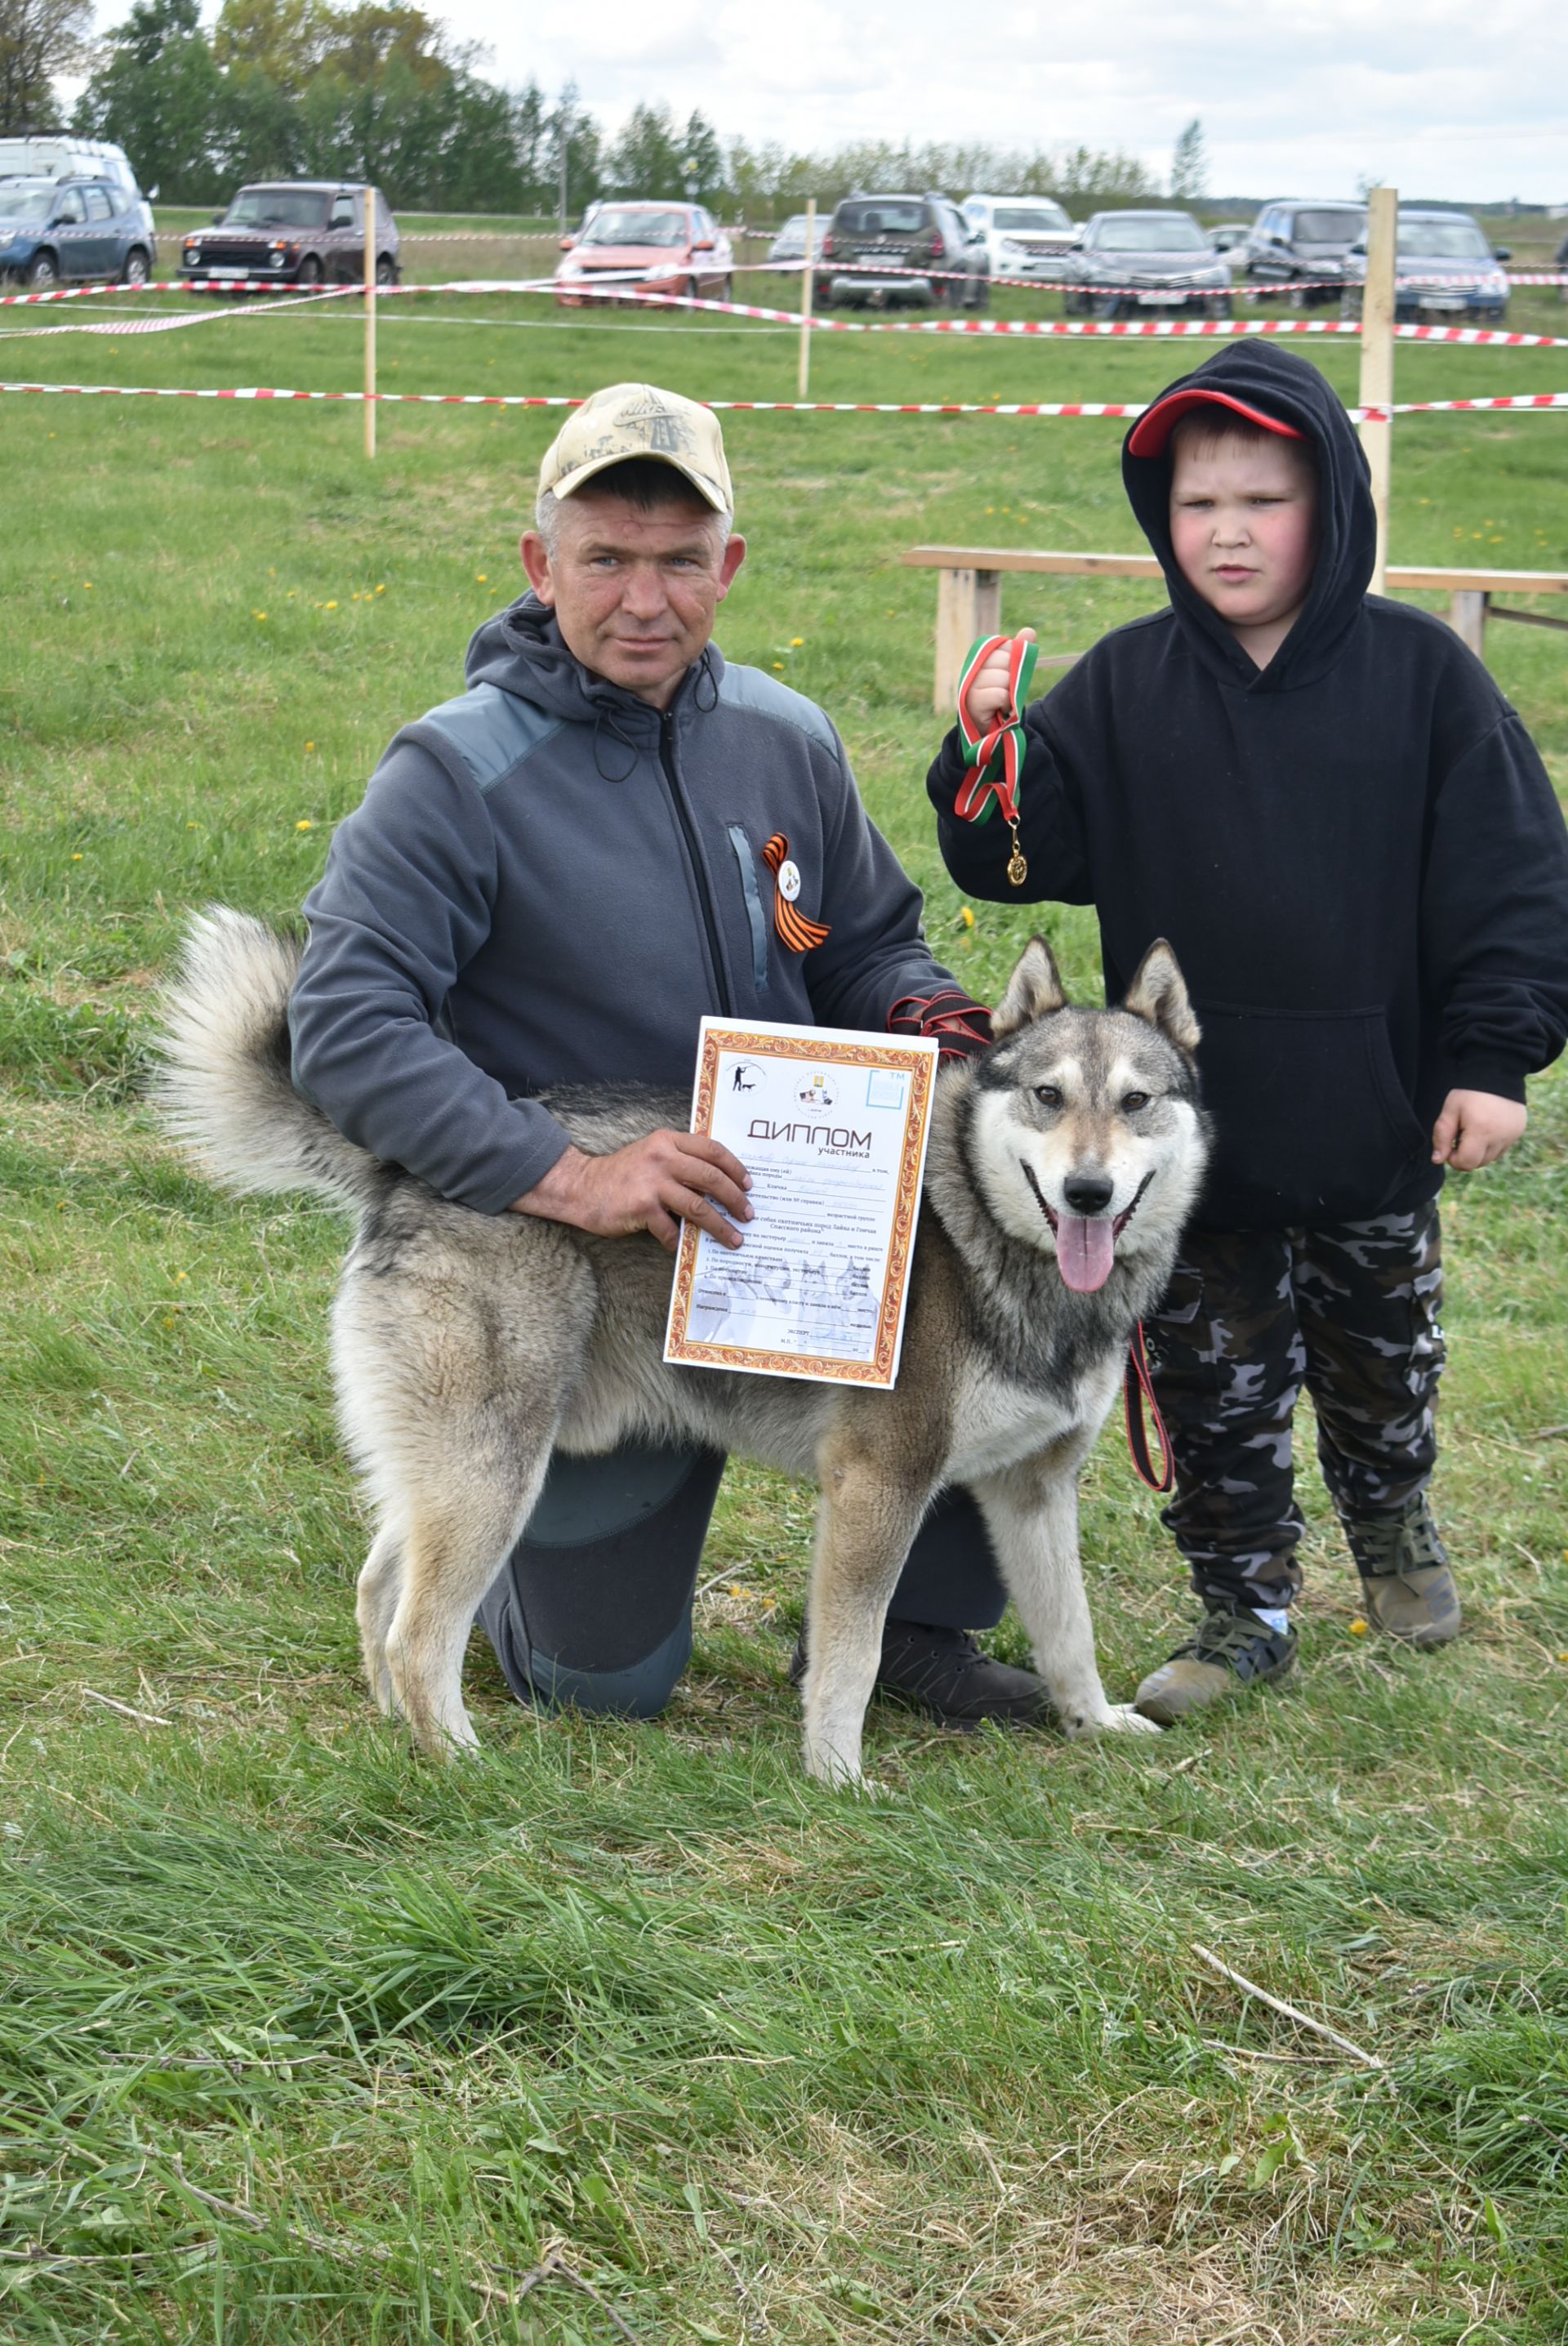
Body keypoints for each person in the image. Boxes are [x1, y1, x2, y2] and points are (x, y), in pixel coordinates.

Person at [288, 380, 1046, 1728]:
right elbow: (344, 1028)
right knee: (602, 1687)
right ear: (540, 565)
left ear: (729, 567)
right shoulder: (453, 772)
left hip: (794, 1233)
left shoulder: (788, 735)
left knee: (972, 1322)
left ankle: (920, 1633)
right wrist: (565, 1176)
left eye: (680, 562)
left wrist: (929, 1016)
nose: (646, 600)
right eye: (607, 560)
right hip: (587, 1272)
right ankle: (504, 1583)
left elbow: (868, 942)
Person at [927, 340, 1568, 1722]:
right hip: (1169, 1161)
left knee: (1381, 1360)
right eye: (1197, 502)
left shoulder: (1426, 681)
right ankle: (1244, 1601)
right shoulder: (1124, 682)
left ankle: (1392, 1528)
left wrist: (1492, 1057)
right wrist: (987, 760)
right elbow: (1016, 861)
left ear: (1331, 505)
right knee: (1217, 1393)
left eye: (1264, 500)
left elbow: (1512, 878)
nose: (1227, 531)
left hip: (1375, 1122)